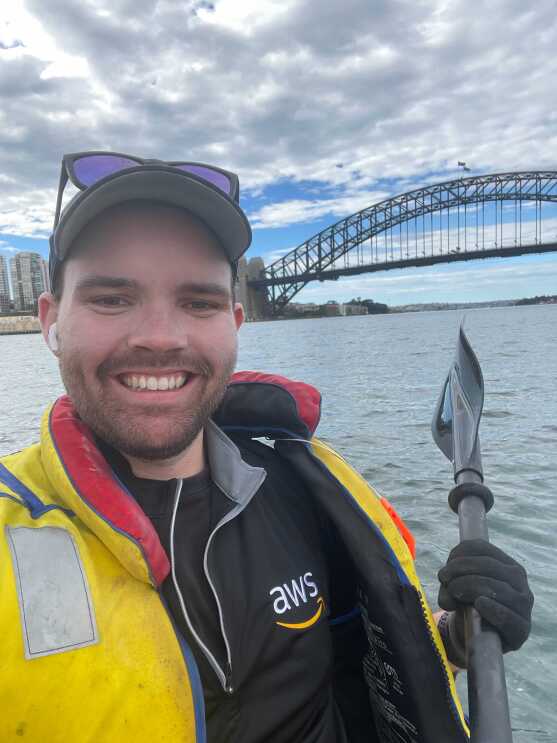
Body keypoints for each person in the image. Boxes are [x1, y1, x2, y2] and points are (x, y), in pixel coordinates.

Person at [0, 152, 533, 743]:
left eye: (198, 302)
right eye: (111, 298)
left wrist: (461, 636)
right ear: (51, 320)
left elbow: (368, 661)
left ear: (235, 321)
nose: (159, 337)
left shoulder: (310, 490)